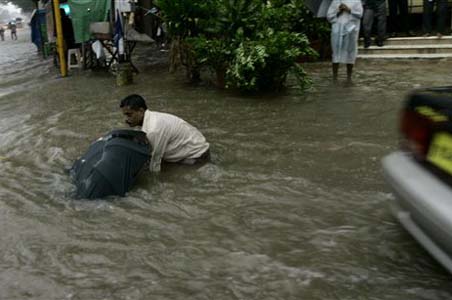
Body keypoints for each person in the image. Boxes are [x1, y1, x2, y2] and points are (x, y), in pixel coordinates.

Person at [120, 94, 210, 172]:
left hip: (196, 156)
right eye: (125, 115)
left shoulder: (153, 129)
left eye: (129, 114)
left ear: (141, 111)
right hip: (196, 147)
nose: (126, 119)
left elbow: (155, 163)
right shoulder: (151, 118)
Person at [327, 0, 363, 83]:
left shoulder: (356, 1)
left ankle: (349, 77)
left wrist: (349, 10)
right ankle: (335, 77)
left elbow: (360, 14)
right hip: (337, 30)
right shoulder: (335, 1)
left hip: (351, 30)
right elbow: (329, 17)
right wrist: (339, 12)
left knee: (350, 52)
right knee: (336, 52)